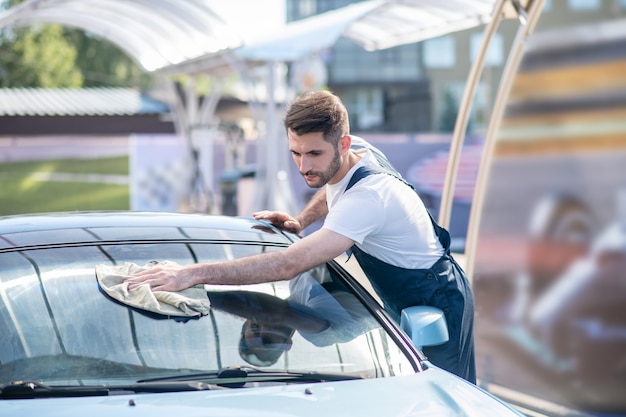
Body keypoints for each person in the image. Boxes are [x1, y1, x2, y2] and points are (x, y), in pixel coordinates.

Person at [126, 90, 476, 383]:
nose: (304, 166)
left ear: (343, 143)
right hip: (407, 293)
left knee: (444, 394)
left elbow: (290, 264)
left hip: (437, 299)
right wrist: (300, 221)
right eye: (295, 152)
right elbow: (331, 189)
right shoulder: (355, 155)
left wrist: (191, 274)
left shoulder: (369, 197)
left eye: (313, 154)